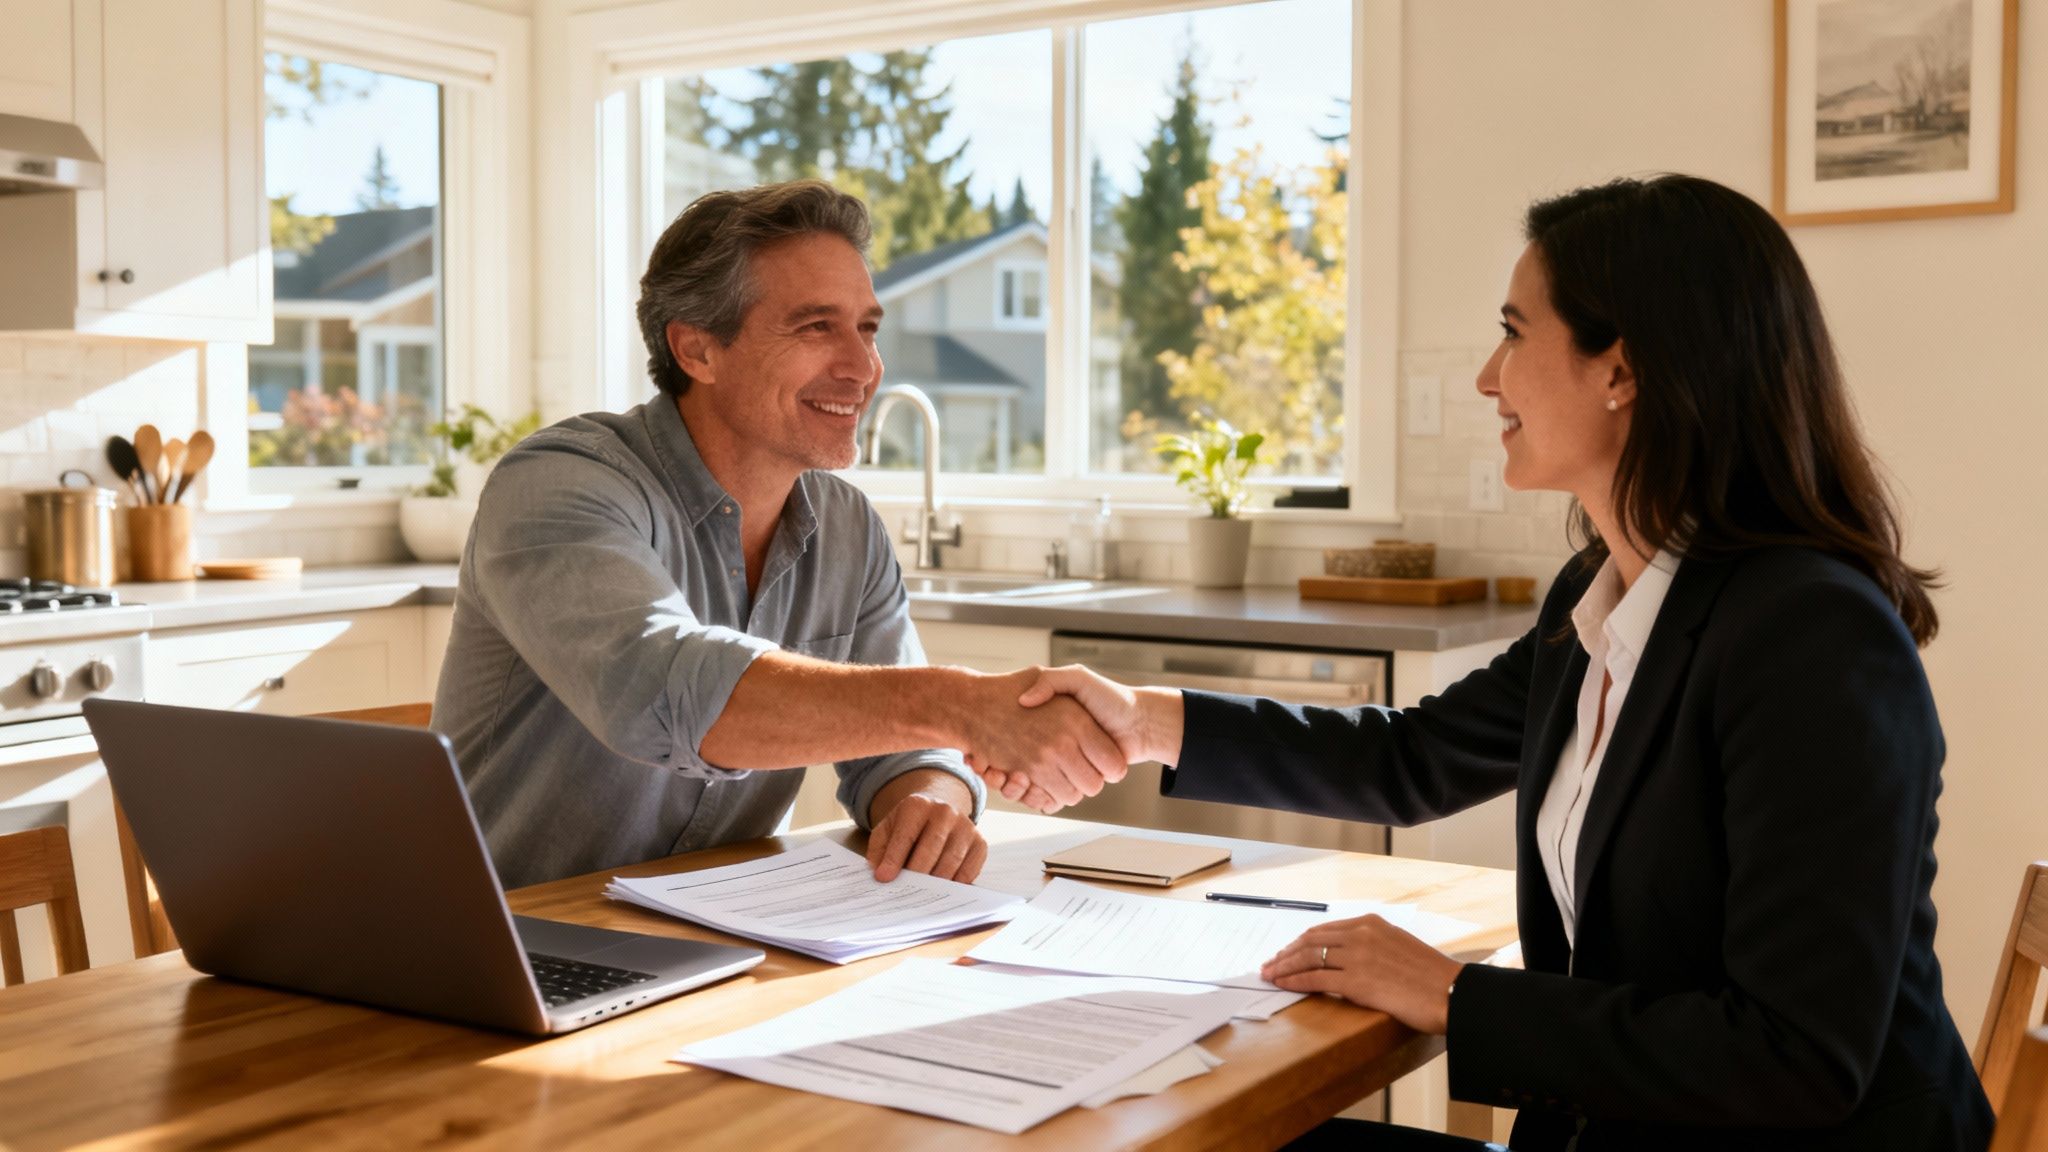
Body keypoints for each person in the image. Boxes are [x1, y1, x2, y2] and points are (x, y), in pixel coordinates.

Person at [1009, 175, 1993, 1150]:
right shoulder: (1598, 595)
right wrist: (1145, 718)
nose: (1487, 375)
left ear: (1622, 370)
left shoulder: (1809, 640)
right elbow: (1413, 760)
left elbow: (1796, 1058)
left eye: (1515, 333)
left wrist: (1450, 995)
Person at [434, 180, 1121, 892]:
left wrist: (927, 799)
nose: (862, 368)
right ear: (697, 350)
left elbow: (908, 754)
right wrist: (963, 705)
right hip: (513, 943)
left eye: (868, 328)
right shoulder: (561, 484)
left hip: (708, 935)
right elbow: (666, 693)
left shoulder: (849, 531)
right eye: (817, 327)